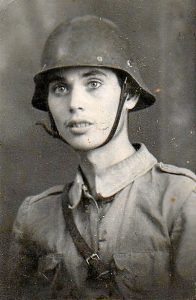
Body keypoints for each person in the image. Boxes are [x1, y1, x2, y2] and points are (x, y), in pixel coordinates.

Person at [8, 15, 196, 300]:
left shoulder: (180, 199)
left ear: (129, 95)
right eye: (60, 88)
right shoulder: (34, 215)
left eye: (93, 83)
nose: (74, 104)